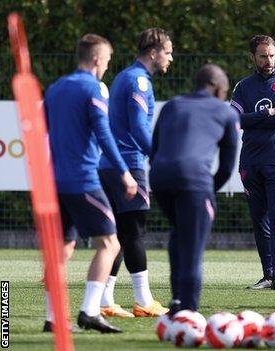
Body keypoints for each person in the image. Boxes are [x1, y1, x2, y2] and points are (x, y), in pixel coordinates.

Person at [43, 33, 138, 333]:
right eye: (108, 60)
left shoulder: (55, 88)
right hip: (83, 181)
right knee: (110, 243)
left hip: (55, 182)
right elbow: (103, 133)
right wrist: (124, 171)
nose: (108, 66)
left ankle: (53, 318)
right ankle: (89, 311)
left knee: (63, 249)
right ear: (97, 59)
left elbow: (44, 129)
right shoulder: (93, 88)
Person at [150, 64, 239, 315]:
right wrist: (207, 190)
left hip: (159, 178)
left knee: (179, 232)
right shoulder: (226, 112)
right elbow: (227, 166)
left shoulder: (173, 105)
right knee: (193, 246)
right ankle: (188, 312)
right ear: (219, 88)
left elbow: (154, 149)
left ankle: (177, 300)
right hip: (194, 181)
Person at [97, 27, 173, 318]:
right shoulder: (139, 80)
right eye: (167, 51)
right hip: (128, 164)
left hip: (110, 165)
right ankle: (143, 300)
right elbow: (139, 126)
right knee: (134, 233)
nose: (170, 57)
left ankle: (105, 300)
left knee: (117, 235)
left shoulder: (124, 77)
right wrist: (158, 155)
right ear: (153, 52)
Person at [230, 35, 275, 291]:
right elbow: (234, 121)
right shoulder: (243, 86)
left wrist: (255, 117)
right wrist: (267, 112)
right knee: (259, 220)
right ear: (253, 57)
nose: (268, 60)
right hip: (250, 162)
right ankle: (267, 275)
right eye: (262, 56)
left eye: (271, 55)